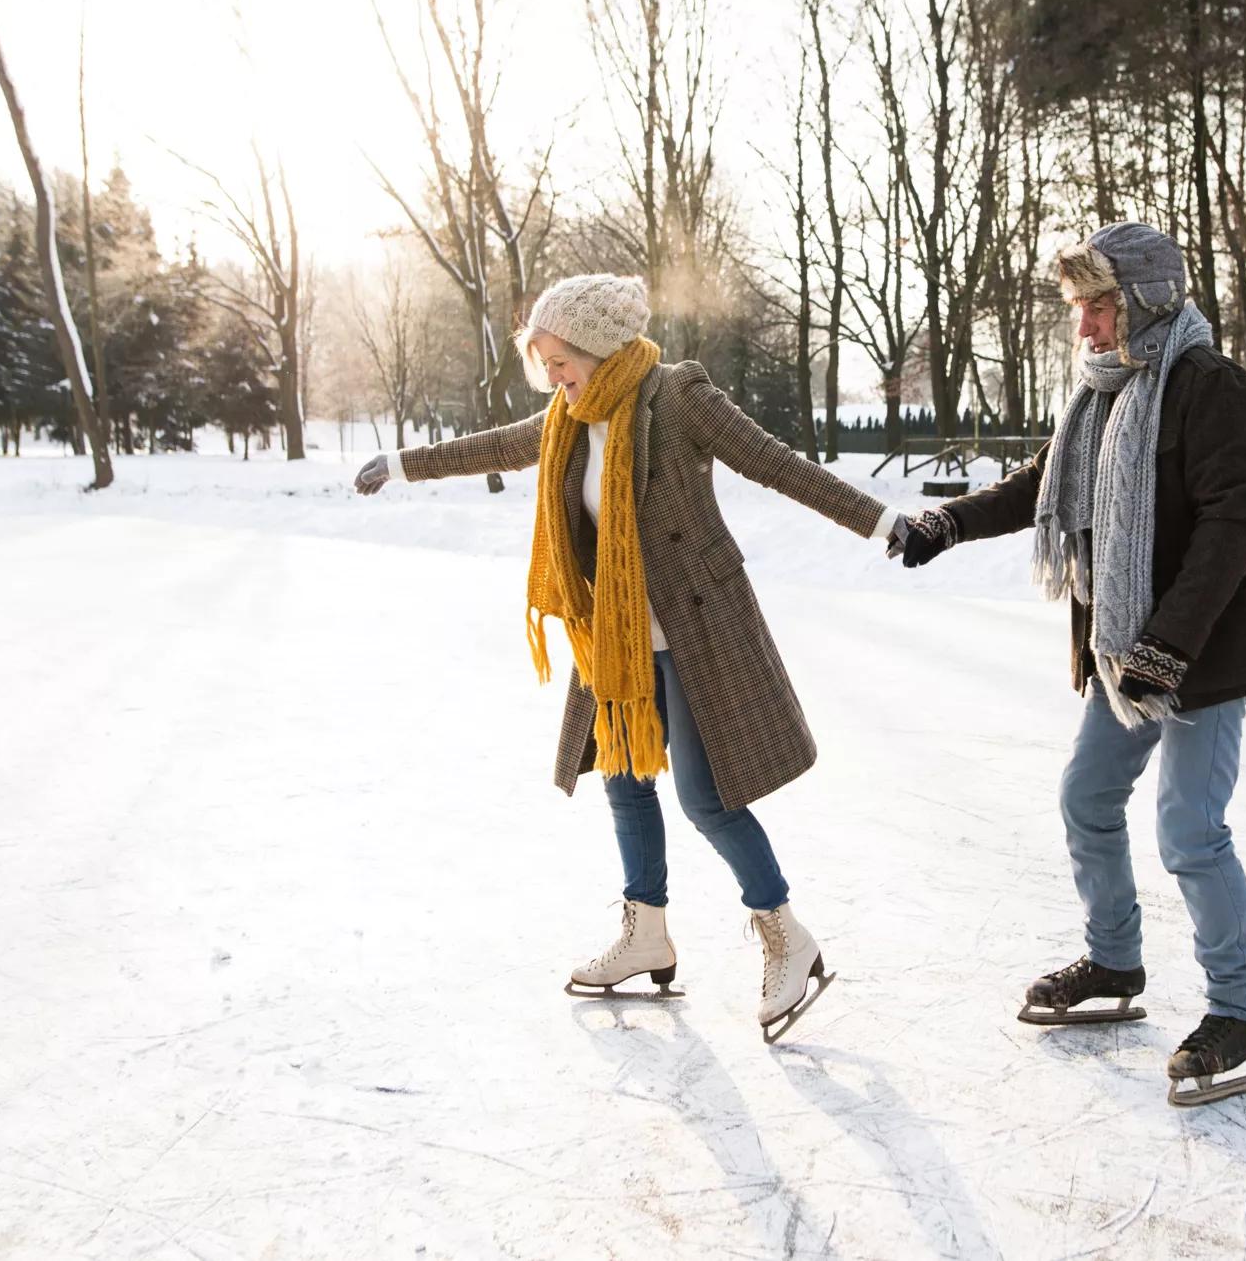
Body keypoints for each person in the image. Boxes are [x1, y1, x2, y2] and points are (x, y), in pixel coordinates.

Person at [355, 273, 898, 1042]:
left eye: (557, 361)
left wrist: (880, 522)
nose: (552, 378)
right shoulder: (567, 420)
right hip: (614, 638)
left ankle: (785, 932)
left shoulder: (676, 397)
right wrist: (402, 463)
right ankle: (647, 932)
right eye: (543, 364)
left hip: (696, 628)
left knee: (706, 799)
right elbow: (498, 443)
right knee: (622, 779)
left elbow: (775, 462)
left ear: (592, 345)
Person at [890, 224, 1246, 1105]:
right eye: (1078, 310)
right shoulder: (1101, 396)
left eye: (1097, 307)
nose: (1085, 330)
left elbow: (1230, 530)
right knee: (1087, 798)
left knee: (1190, 832)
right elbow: (1042, 485)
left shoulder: (1212, 388)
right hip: (1120, 653)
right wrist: (948, 522)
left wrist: (1166, 646)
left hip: (1200, 658)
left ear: (1141, 300)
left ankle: (1241, 1009)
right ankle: (1114, 960)